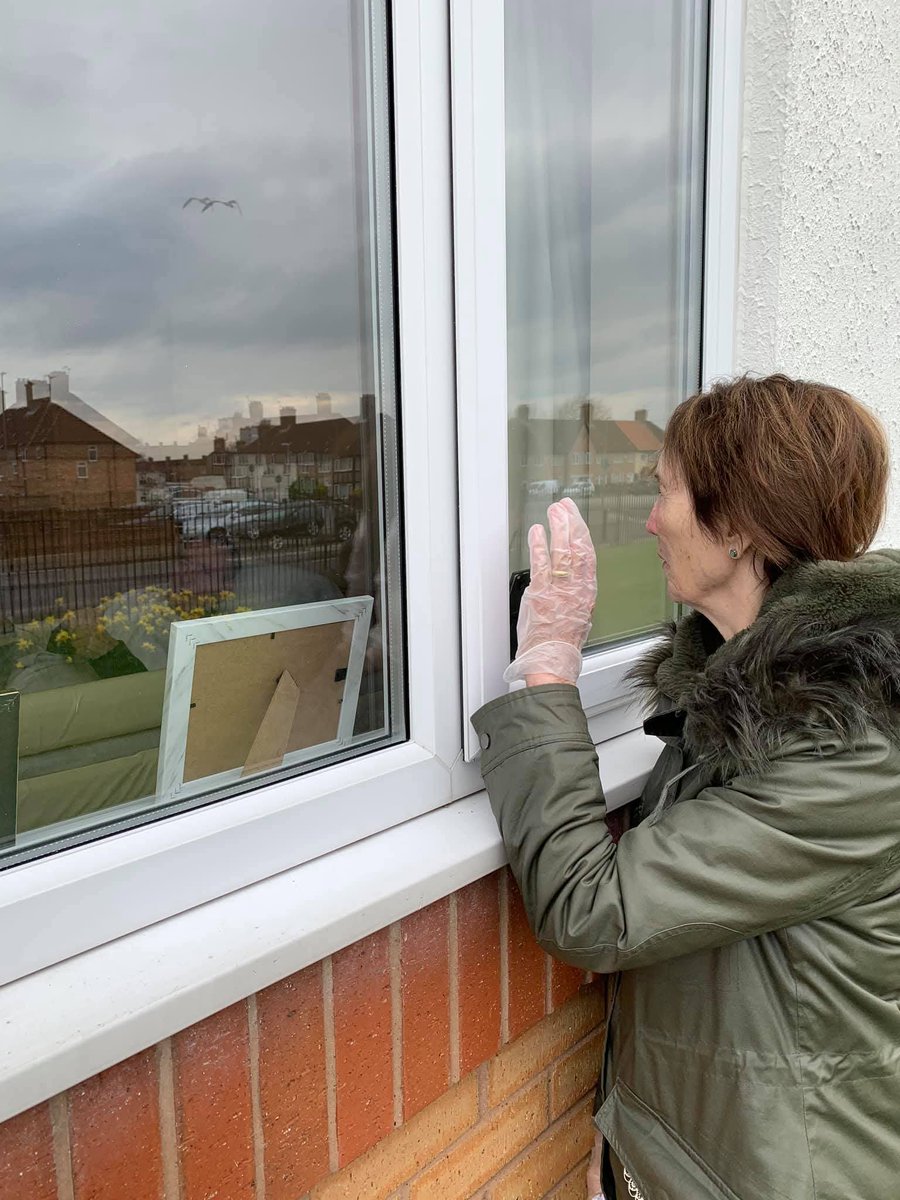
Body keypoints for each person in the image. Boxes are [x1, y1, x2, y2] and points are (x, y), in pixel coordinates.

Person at [472, 375, 900, 1200]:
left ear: (736, 527)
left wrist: (549, 676)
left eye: (664, 489)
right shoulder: (759, 692)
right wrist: (632, 1143)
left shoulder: (849, 752)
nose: (651, 519)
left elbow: (597, 912)